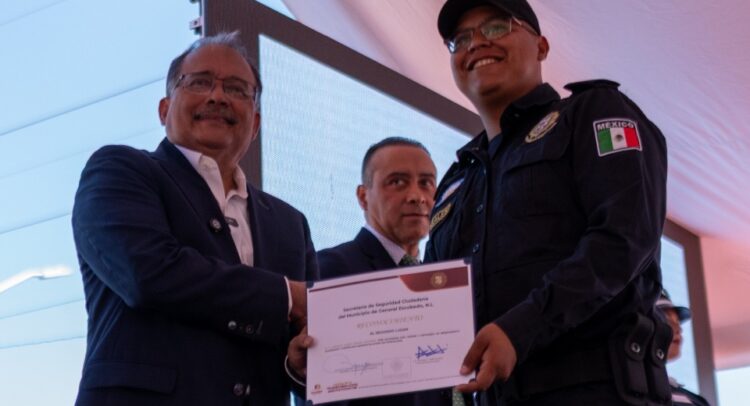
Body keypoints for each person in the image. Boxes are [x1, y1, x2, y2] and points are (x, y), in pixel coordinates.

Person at [427, 0, 671, 404]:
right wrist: (334, 352)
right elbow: (428, 311)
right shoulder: (456, 182)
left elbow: (624, 237)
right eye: (461, 39)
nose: (476, 44)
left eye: (496, 28)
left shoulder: (593, 112)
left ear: (541, 46)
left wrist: (520, 329)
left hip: (594, 391)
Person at [71, 32, 317, 405]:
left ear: (255, 124)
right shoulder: (120, 170)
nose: (217, 97)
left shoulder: (290, 223)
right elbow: (148, 273)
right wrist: (286, 296)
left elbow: (306, 344)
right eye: (199, 82)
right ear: (164, 109)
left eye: (236, 89)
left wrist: (299, 367)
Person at [312, 137, 455, 405]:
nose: (417, 197)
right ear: (363, 197)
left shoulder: (441, 282)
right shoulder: (333, 269)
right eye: (397, 182)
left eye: (426, 183)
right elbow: (322, 383)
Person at [657, 291, 711, 406]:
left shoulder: (697, 401)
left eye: (677, 321)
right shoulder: (622, 391)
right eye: (666, 320)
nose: (678, 329)